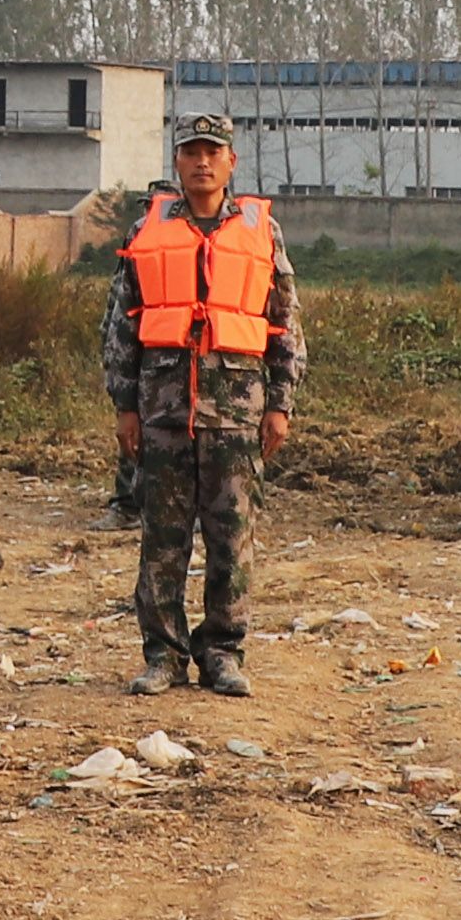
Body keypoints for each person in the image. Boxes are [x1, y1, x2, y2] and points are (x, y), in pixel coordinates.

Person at [107, 116, 299, 698]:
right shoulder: (148, 229)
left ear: (231, 162)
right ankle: (163, 656)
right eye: (191, 152)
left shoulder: (261, 232)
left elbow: (284, 323)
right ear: (177, 161)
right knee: (162, 543)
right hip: (163, 412)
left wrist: (280, 404)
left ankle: (222, 652)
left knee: (231, 540)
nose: (202, 162)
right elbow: (121, 324)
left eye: (213, 152)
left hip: (237, 415)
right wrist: (124, 405)